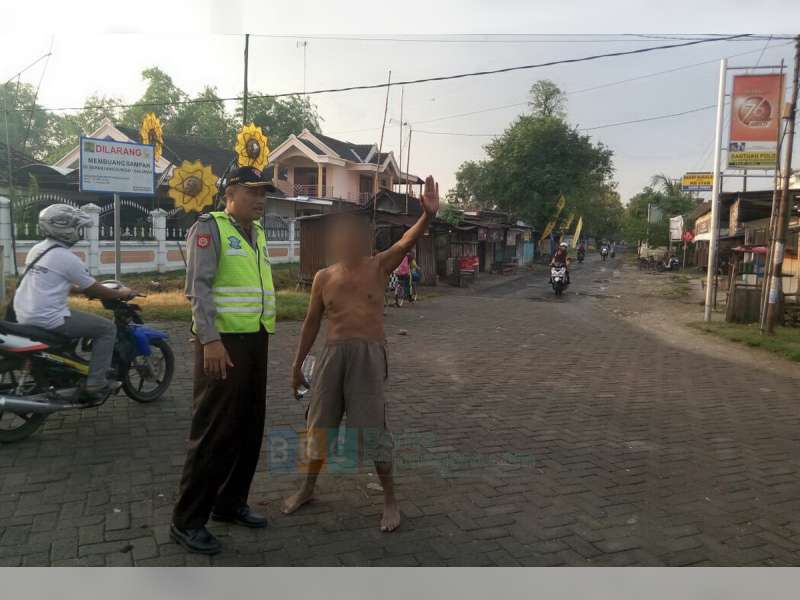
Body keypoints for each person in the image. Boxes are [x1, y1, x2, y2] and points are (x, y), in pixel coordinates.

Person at [282, 175, 440, 532]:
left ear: (365, 240)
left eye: (354, 235)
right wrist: (296, 367)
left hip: (368, 357)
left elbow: (406, 240)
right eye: (341, 236)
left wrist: (427, 216)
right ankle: (307, 489)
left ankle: (390, 500)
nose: (347, 241)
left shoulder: (379, 265)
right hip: (331, 356)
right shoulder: (324, 277)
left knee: (372, 431)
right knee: (318, 426)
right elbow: (310, 325)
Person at [170, 167, 278, 555]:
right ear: (231, 192)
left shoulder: (258, 232)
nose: (262, 199)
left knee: (249, 427)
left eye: (265, 193)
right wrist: (210, 340)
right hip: (222, 344)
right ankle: (186, 520)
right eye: (254, 192)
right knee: (213, 431)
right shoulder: (209, 228)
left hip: (255, 340)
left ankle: (229, 503)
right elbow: (197, 289)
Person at [13, 204, 135, 400]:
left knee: (79, 322)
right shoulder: (67, 258)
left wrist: (79, 290)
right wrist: (121, 293)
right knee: (106, 329)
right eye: (78, 227)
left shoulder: (37, 249)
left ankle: (69, 368)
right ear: (65, 228)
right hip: (49, 318)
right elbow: (94, 288)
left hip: (24, 313)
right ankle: (96, 382)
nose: (80, 232)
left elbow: (50, 282)